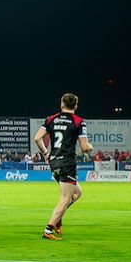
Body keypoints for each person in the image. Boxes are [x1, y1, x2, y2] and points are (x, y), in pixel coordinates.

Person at [33, 92, 93, 240]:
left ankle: (58, 217)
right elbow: (84, 147)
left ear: (61, 104)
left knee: (77, 193)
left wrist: (46, 153)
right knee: (65, 198)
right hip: (67, 162)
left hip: (54, 162)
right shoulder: (79, 121)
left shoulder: (51, 119)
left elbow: (37, 138)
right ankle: (48, 230)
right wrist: (90, 147)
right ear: (76, 106)